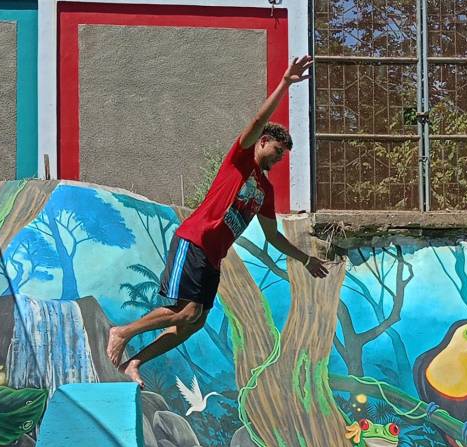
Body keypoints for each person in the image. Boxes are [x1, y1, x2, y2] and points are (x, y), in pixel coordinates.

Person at [107, 54, 329, 385]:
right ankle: (122, 332)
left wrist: (306, 259)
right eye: (277, 151)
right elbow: (257, 119)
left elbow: (273, 237)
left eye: (284, 156)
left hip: (213, 259)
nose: (280, 158)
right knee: (187, 312)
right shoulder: (240, 160)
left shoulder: (265, 190)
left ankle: (134, 363)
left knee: (192, 323)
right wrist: (285, 83)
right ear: (263, 142)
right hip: (195, 240)